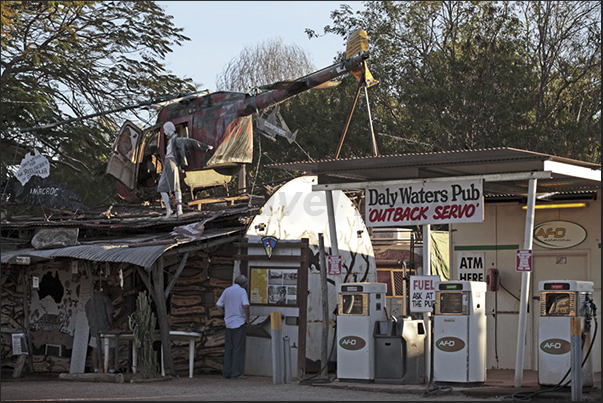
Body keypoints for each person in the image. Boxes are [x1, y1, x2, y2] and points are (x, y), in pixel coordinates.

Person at [157, 121, 213, 219]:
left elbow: (191, 142)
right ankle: (170, 210)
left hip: (172, 162)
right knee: (161, 187)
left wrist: (205, 147)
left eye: (165, 129)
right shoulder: (170, 141)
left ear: (170, 129)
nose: (164, 131)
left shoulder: (177, 140)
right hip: (167, 163)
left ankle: (179, 210)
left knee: (175, 186)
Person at [216, 274, 250, 379]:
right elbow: (246, 305)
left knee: (228, 348)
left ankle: (226, 372)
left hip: (228, 322)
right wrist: (247, 319)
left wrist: (225, 313)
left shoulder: (227, 290)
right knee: (238, 348)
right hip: (239, 322)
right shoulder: (242, 291)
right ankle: (236, 373)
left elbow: (218, 304)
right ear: (243, 284)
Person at [85, 282, 116, 373]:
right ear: (103, 289)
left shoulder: (89, 301)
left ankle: (96, 369)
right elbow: (109, 316)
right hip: (106, 328)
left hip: (94, 328)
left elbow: (88, 316)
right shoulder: (106, 300)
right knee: (111, 349)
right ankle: (111, 369)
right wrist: (113, 326)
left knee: (95, 349)